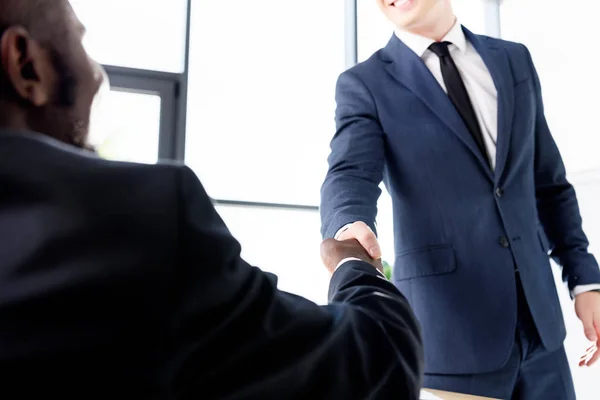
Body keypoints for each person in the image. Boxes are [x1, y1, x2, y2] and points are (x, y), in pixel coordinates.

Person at [0, 0, 424, 398]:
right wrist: (352, 264)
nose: (98, 77)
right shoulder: (138, 219)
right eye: (80, 40)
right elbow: (375, 365)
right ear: (25, 64)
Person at [320, 0, 600, 398]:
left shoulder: (513, 60)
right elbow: (349, 172)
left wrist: (584, 279)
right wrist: (348, 226)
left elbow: (548, 184)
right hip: (451, 339)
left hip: (543, 332)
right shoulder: (365, 84)